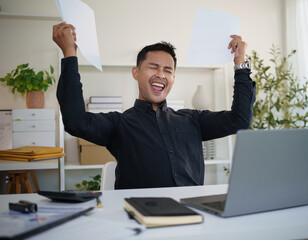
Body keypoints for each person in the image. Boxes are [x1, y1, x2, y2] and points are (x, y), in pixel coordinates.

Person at [52, 22, 256, 189]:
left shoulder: (192, 120)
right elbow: (75, 121)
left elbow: (239, 119)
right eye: (153, 67)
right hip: (142, 219)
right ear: (136, 73)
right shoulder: (119, 124)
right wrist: (70, 54)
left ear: (173, 78)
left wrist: (240, 63)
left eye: (168, 70)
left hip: (191, 216)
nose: (161, 74)